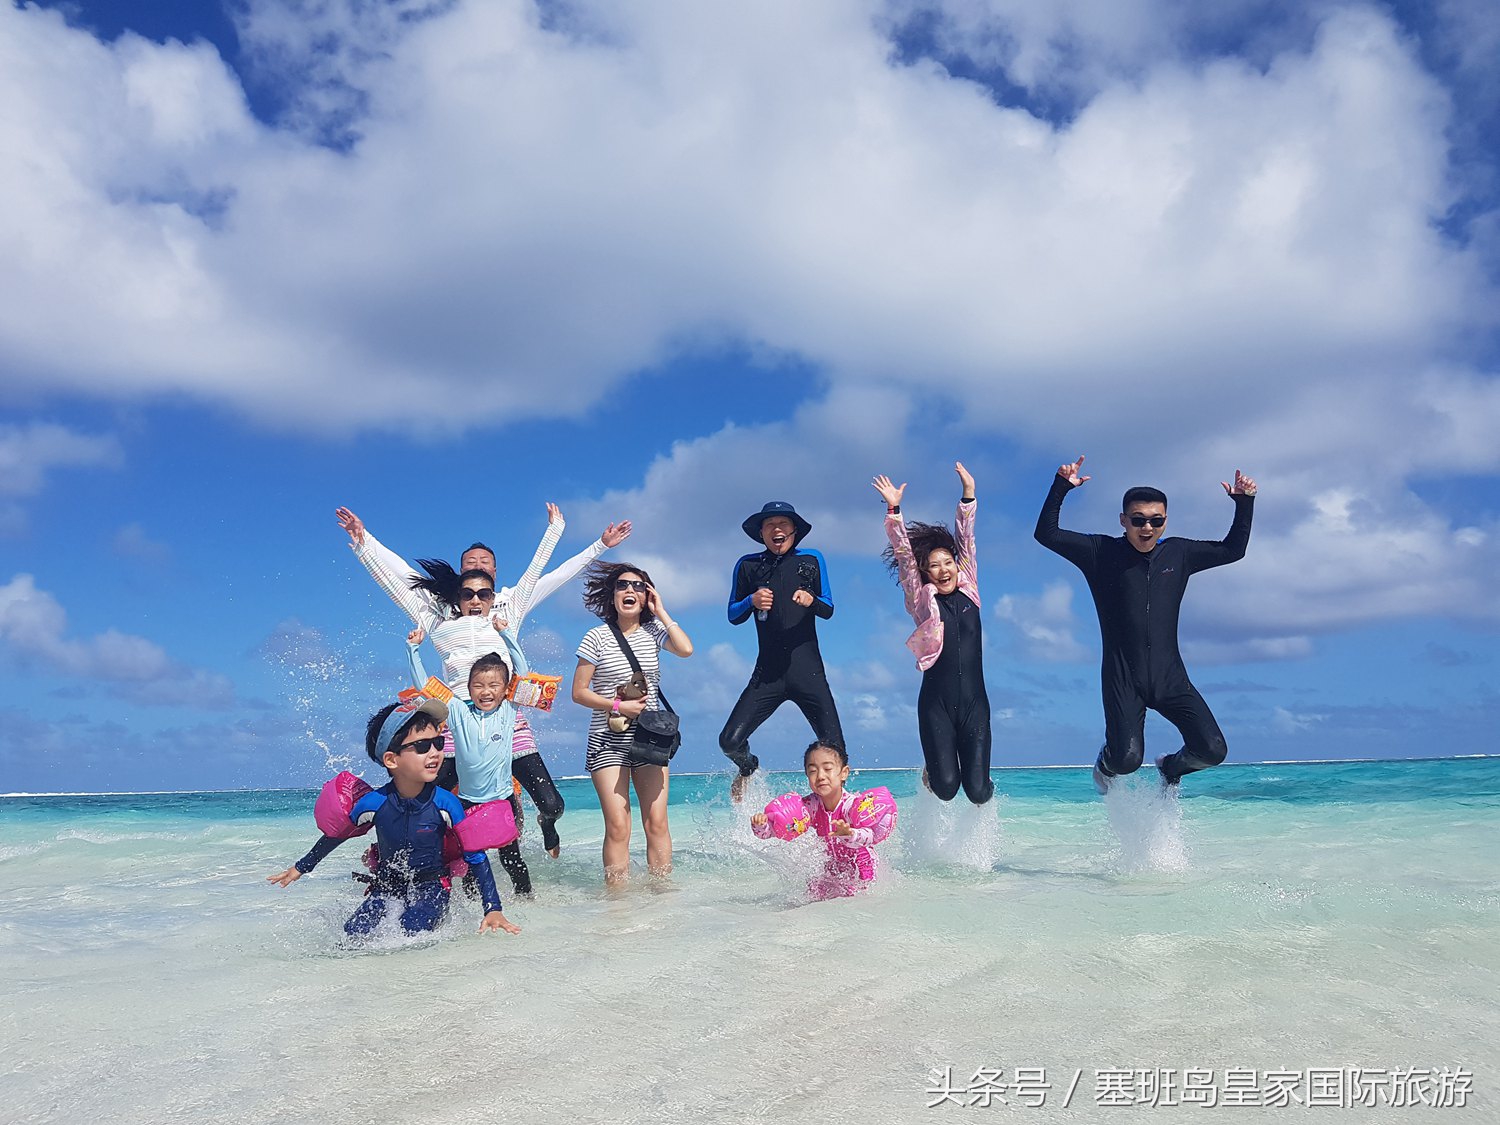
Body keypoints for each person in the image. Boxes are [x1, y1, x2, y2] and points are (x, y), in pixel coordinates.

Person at [335, 503, 629, 856]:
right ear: (460, 580)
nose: (476, 572)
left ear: (494, 576)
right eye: (469, 570)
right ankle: (398, 857)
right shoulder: (437, 616)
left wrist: (577, 538)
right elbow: (399, 579)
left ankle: (536, 830)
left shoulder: (509, 605)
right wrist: (362, 542)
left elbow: (548, 575)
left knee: (543, 806)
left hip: (503, 719)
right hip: (455, 720)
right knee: (422, 802)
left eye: (484, 567)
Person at [1034, 454, 1257, 791]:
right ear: (1123, 520)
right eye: (1138, 520)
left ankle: (1170, 766)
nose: (1147, 528)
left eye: (1156, 520)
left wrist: (1244, 503)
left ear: (1166, 521)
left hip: (1170, 676)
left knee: (1212, 750)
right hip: (1123, 677)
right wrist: (1061, 486)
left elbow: (1233, 550)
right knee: (1125, 760)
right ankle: (1105, 762)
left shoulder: (1179, 553)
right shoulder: (1100, 552)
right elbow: (1046, 534)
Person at [267, 696, 520, 937]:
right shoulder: (374, 804)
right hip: (387, 885)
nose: (435, 753)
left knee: (414, 932)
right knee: (352, 935)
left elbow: (476, 856)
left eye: (438, 743)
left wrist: (492, 908)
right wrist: (301, 867)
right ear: (391, 759)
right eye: (422, 746)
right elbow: (337, 835)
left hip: (432, 886)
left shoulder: (446, 803)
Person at [874, 462, 993, 804]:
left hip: (975, 704)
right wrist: (893, 509)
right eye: (934, 566)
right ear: (926, 574)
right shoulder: (921, 601)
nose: (942, 570)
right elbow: (904, 557)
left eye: (947, 563)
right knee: (945, 790)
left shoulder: (970, 589)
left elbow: (966, 539)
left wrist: (968, 495)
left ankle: (984, 785)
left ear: (957, 565)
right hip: (935, 705)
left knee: (979, 793)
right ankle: (932, 771)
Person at [572, 562, 693, 885]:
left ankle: (662, 895)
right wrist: (617, 704)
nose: (630, 591)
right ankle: (618, 904)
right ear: (612, 596)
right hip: (606, 736)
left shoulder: (654, 633)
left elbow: (686, 649)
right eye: (623, 586)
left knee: (656, 821)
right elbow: (579, 693)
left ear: (647, 596)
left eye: (639, 586)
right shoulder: (595, 637)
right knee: (618, 825)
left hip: (650, 736)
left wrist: (662, 612)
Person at [720, 501, 844, 802]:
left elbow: (828, 608)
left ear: (795, 530)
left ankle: (837, 815)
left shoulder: (812, 560)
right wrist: (751, 600)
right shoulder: (748, 565)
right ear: (761, 533)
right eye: (770, 525)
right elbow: (732, 615)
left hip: (809, 673)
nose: (777, 530)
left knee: (837, 750)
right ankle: (749, 769)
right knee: (729, 742)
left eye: (784, 524)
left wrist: (811, 599)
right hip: (767, 676)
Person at [407, 626, 536, 897]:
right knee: (471, 861)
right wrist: (413, 649)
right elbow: (425, 687)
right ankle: (473, 908)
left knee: (511, 858)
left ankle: (526, 899)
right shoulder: (456, 711)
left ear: (504, 690)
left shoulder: (509, 710)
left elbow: (524, 676)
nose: (485, 691)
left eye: (493, 685)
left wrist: (506, 636)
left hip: (502, 800)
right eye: (478, 685)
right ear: (468, 688)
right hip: (467, 802)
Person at [751, 741, 897, 899]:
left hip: (863, 869)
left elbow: (870, 836)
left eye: (827, 769)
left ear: (844, 773)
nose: (820, 776)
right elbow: (777, 830)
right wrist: (762, 826)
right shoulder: (810, 806)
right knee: (810, 895)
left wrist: (849, 833)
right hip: (832, 868)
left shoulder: (851, 805)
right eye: (813, 771)